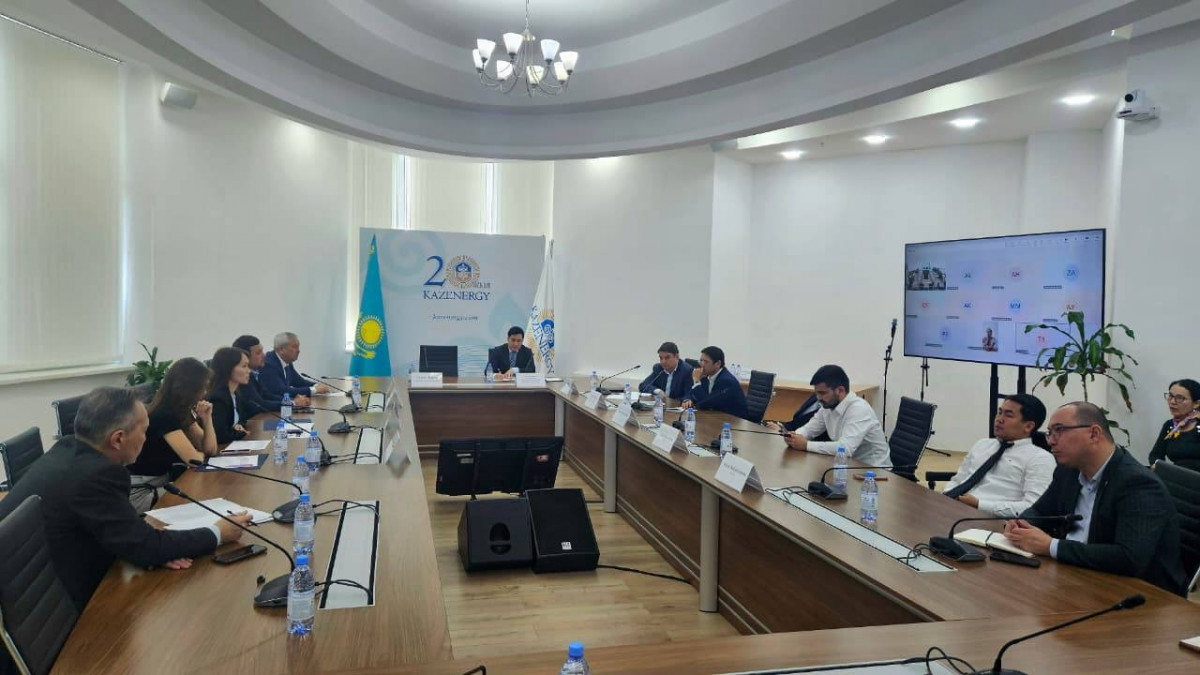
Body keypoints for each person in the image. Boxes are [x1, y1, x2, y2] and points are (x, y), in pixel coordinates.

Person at [0, 387, 251, 611]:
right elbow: (144, 545)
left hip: (30, 589)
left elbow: (132, 539)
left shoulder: (67, 447)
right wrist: (218, 533)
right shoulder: (97, 475)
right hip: (55, 606)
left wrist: (150, 549)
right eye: (145, 431)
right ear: (118, 438)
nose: (146, 438)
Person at [1005, 402, 1187, 596]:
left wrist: (1050, 546)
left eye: (1059, 430)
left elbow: (1129, 558)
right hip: (1078, 574)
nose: (1051, 441)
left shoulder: (1138, 484)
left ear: (1094, 434)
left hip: (1141, 594)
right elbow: (1041, 511)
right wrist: (1021, 524)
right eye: (1050, 433)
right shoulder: (1069, 469)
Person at [125, 358, 219, 513]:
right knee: (201, 500)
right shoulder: (164, 415)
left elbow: (210, 450)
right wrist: (198, 453)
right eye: (202, 388)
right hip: (142, 492)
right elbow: (194, 461)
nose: (205, 393)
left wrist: (207, 419)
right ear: (190, 388)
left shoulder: (181, 411)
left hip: (160, 484)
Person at [942, 394, 1055, 517]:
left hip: (990, 520)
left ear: (1028, 426)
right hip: (953, 508)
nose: (999, 419)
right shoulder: (982, 444)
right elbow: (958, 480)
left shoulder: (1039, 458)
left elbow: (1033, 507)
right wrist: (947, 496)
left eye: (1008, 415)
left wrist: (979, 504)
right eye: (999, 412)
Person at [784, 365, 890, 467]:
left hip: (875, 472)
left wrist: (806, 445)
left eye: (822, 393)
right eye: (817, 393)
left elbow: (845, 448)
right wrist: (793, 437)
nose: (818, 398)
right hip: (848, 466)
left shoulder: (859, 409)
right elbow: (809, 429)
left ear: (840, 390)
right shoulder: (828, 407)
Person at [681, 346, 749, 420]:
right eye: (701, 360)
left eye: (706, 362)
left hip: (734, 421)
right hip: (715, 416)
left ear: (718, 364)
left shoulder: (726, 381)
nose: (702, 364)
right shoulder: (706, 376)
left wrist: (696, 381)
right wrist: (688, 399)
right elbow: (691, 392)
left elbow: (705, 403)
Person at [1148, 378, 1200, 472]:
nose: (1172, 402)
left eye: (1180, 398)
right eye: (1170, 396)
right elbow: (1155, 455)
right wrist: (1156, 466)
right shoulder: (1170, 426)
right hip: (1175, 477)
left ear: (1196, 404)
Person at [260, 332, 327, 403]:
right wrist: (314, 390)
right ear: (281, 349)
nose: (298, 351)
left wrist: (316, 385)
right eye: (295, 347)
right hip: (273, 407)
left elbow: (299, 382)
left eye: (298, 347)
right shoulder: (269, 365)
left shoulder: (287, 361)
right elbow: (281, 391)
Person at [207, 347, 254, 444]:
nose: (249, 371)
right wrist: (241, 433)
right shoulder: (217, 398)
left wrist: (239, 425)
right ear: (228, 368)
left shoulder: (235, 393)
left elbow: (242, 419)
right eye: (244, 366)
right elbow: (220, 436)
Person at [233, 334, 279, 411]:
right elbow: (259, 404)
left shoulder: (254, 373)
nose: (264, 356)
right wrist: (291, 404)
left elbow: (267, 395)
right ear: (245, 356)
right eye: (258, 353)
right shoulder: (242, 378)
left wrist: (290, 402)